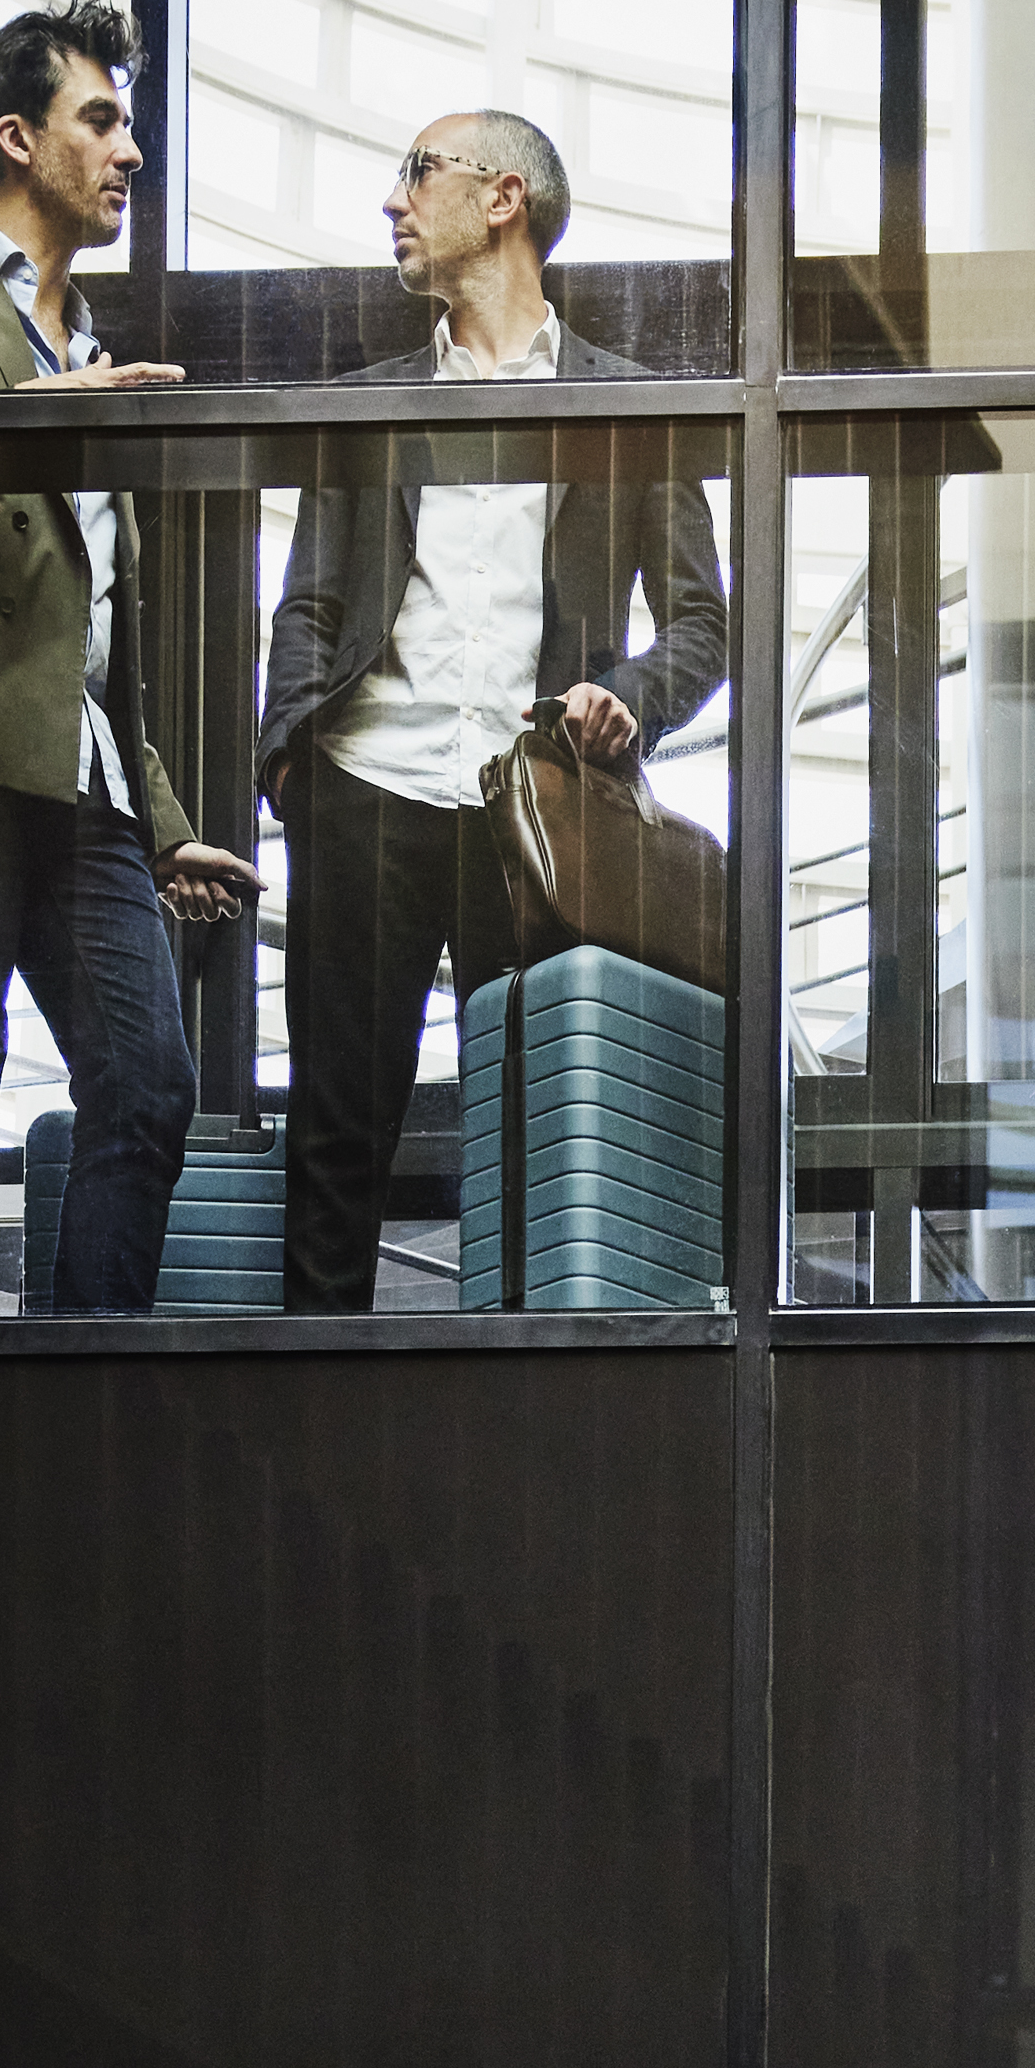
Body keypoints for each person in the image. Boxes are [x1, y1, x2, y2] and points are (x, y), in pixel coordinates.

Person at [260, 108, 722, 1314]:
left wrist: (624, 700)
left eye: (417, 171)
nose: (394, 200)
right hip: (364, 789)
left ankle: (520, 1428)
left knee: (535, 1127)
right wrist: (291, 766)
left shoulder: (629, 403)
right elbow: (307, 603)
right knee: (334, 1132)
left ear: (502, 197)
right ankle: (322, 1436)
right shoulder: (371, 401)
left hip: (535, 811)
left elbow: (703, 622)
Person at [0, 2, 262, 1317]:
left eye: (129, 122)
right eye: (102, 120)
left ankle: (79, 1380)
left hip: (84, 785)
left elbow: (84, 642)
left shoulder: (93, 346)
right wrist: (30, 414)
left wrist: (163, 825)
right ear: (18, 138)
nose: (129, 149)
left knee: (148, 1081)